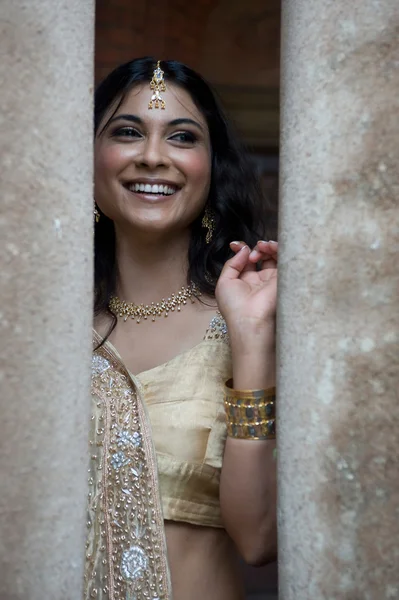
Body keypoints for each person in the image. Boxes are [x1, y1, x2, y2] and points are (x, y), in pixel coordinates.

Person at [86, 57, 278, 600]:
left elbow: (259, 539)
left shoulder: (247, 322)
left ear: (211, 166)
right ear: (89, 157)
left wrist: (253, 342)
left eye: (182, 137)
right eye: (127, 132)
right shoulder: (43, 330)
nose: (152, 157)